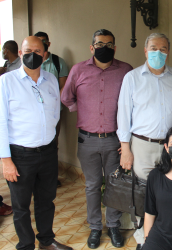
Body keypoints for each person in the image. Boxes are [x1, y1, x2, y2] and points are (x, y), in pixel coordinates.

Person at [61, 29, 133, 249]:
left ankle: (113, 225)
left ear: (115, 47)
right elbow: (66, 97)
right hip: (88, 140)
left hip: (115, 140)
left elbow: (132, 102)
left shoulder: (125, 71)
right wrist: (82, 110)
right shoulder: (78, 70)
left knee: (113, 185)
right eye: (100, 44)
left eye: (109, 44)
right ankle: (94, 227)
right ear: (92, 47)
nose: (105, 47)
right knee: (92, 185)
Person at [0, 36, 72, 250]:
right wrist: (6, 160)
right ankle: (26, 245)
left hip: (48, 153)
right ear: (21, 54)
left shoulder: (50, 79)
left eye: (38, 51)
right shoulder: (6, 82)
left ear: (45, 54)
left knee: (46, 201)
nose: (33, 55)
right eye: (28, 51)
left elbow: (54, 114)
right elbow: (0, 123)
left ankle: (46, 241)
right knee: (21, 206)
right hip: (20, 155)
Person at [117, 32, 172, 249]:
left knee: (171, 190)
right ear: (145, 51)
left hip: (171, 146)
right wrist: (125, 148)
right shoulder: (132, 78)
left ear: (168, 52)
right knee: (144, 194)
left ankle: (167, 235)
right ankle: (144, 238)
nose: (158, 52)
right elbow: (123, 115)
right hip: (142, 145)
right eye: (153, 48)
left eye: (163, 49)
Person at [35, 31, 70, 187]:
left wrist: (51, 104)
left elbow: (63, 88)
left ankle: (51, 177)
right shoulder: (31, 62)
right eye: (38, 41)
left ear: (48, 44)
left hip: (53, 112)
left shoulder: (58, 62)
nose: (42, 43)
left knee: (51, 143)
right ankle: (35, 178)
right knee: (33, 144)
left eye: (44, 41)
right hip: (33, 113)